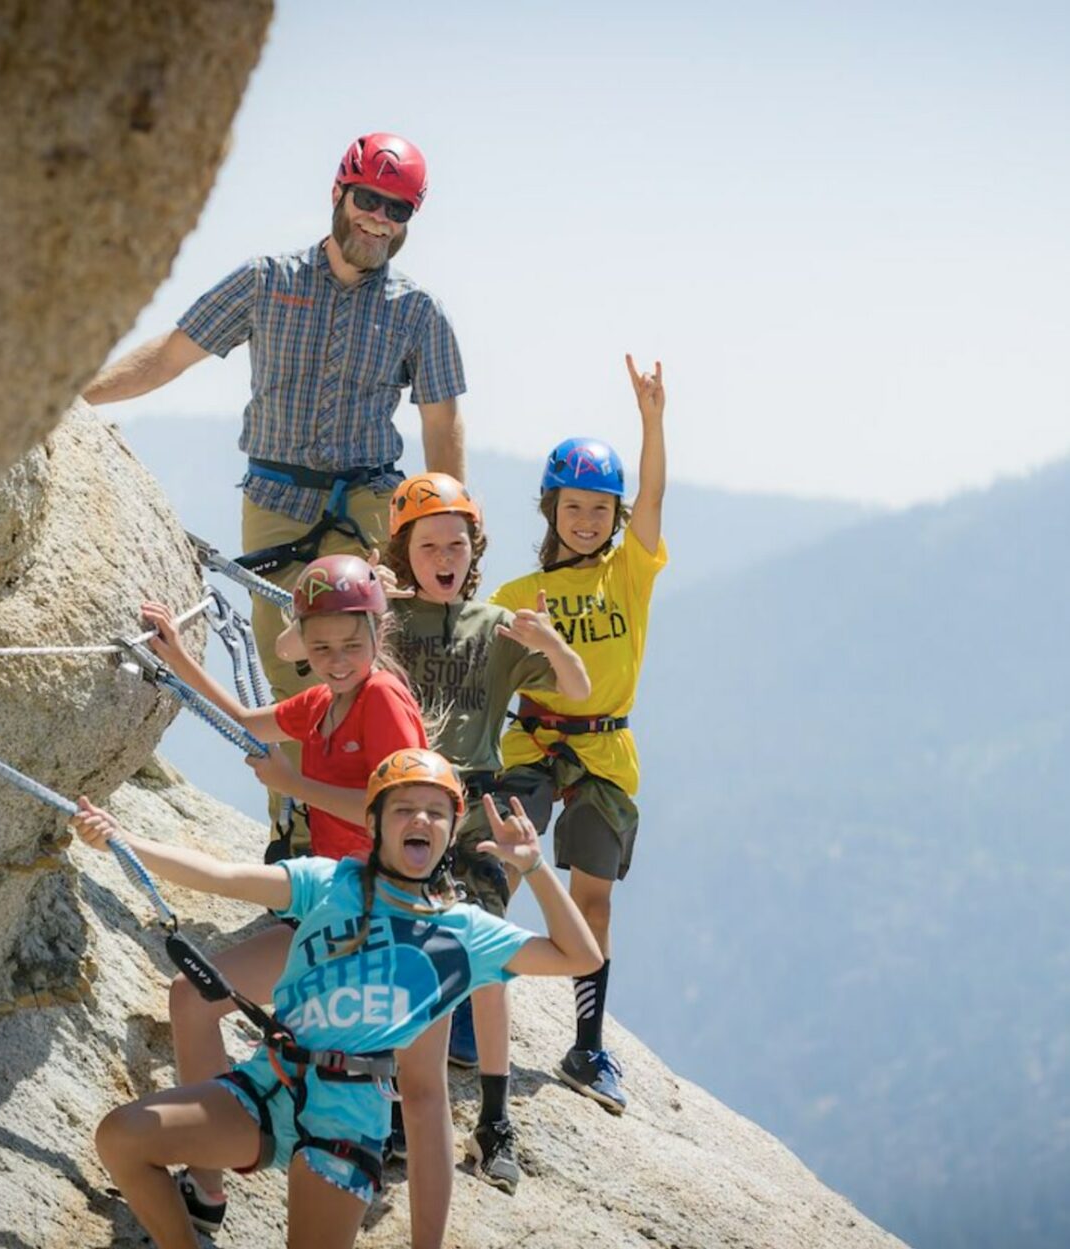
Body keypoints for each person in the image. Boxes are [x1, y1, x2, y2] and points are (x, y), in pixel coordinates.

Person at [83, 132, 466, 851]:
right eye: (368, 201)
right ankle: (297, 839)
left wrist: (443, 531)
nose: (379, 219)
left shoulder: (418, 312)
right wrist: (73, 398)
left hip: (369, 503)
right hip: (277, 499)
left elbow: (442, 425)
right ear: (338, 193)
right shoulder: (265, 281)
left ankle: (393, 845)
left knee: (366, 670)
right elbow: (172, 353)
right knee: (294, 674)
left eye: (397, 208)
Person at [73, 749, 603, 1249]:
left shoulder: (463, 931)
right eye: (404, 809)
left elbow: (580, 957)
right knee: (123, 1138)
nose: (420, 820)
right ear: (374, 824)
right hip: (268, 1085)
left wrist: (534, 869)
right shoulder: (329, 883)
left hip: (347, 1123)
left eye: (436, 813)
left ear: (452, 831)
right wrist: (125, 842)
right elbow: (223, 878)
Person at [279, 471, 591, 1192]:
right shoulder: (382, 616)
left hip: (473, 807)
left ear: (473, 549)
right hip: (404, 806)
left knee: (482, 948)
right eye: (428, 545)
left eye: (456, 543)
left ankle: (492, 1120)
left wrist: (547, 639)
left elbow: (574, 689)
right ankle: (388, 1118)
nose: (445, 557)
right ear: (405, 550)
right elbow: (301, 649)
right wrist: (363, 587)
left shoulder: (494, 626)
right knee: (391, 944)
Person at [138, 553, 446, 1237]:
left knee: (197, 999)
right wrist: (181, 657)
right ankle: (207, 1182)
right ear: (303, 644)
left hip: (371, 913)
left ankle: (214, 1176)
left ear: (378, 632)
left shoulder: (382, 700)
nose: (337, 658)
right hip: (326, 898)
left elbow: (402, 806)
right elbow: (251, 716)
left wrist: (296, 785)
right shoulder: (327, 700)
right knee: (193, 998)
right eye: (322, 646)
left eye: (351, 644)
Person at [488, 354, 667, 1115]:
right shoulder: (516, 595)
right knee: (490, 871)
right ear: (551, 510)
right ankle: (469, 1017)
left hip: (603, 749)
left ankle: (587, 1047)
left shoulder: (628, 571)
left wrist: (652, 422)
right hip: (532, 742)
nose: (588, 520)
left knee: (592, 902)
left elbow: (654, 498)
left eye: (601, 509)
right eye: (575, 507)